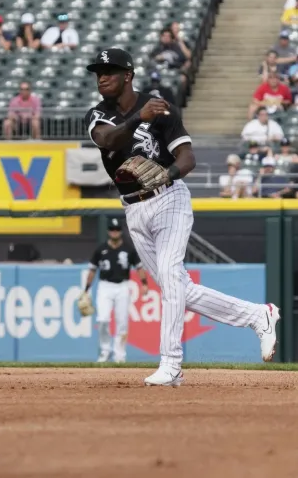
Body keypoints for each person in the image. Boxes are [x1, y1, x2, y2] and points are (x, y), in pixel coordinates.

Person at [84, 48, 279, 386]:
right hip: (132, 207)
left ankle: (171, 363)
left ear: (127, 75)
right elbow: (107, 139)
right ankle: (257, 315)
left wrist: (168, 174)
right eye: (98, 71)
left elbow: (187, 158)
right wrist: (137, 118)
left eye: (110, 70)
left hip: (169, 198)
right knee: (178, 289)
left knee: (172, 278)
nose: (102, 76)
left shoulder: (161, 109)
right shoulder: (97, 115)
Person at [82, 218, 148, 363]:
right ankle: (105, 352)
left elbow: (139, 267)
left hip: (123, 286)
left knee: (122, 322)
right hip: (105, 286)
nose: (114, 232)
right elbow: (92, 270)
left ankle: (119, 355)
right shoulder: (101, 249)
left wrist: (144, 283)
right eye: (112, 229)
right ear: (108, 231)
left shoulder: (128, 249)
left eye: (117, 229)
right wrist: (86, 289)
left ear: (120, 232)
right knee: (103, 319)